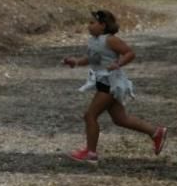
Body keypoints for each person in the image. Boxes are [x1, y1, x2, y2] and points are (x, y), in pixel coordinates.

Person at [62, 9, 167, 163]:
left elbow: (130, 53)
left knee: (90, 115)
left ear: (103, 25)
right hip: (103, 82)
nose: (88, 26)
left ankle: (90, 153)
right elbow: (93, 59)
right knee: (120, 119)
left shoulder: (110, 40)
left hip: (110, 83)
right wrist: (76, 62)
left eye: (92, 23)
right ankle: (156, 132)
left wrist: (118, 63)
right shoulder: (94, 40)